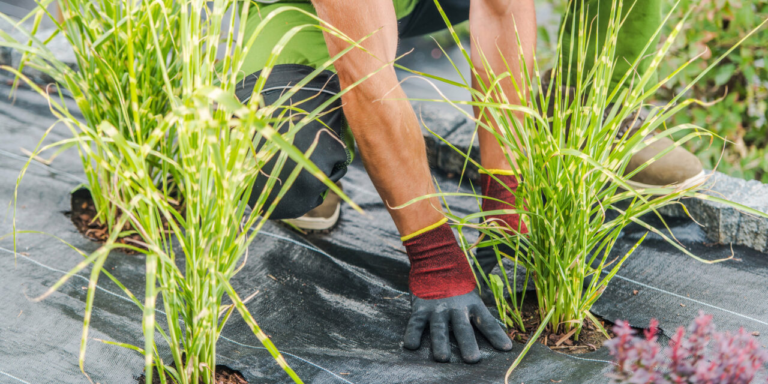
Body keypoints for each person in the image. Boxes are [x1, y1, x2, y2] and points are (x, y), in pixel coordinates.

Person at [237, 0, 704, 364]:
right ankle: (327, 146)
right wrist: (434, 252)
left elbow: (501, 11)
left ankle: (588, 110)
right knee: (281, 162)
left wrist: (506, 194)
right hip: (302, 14)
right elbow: (365, 72)